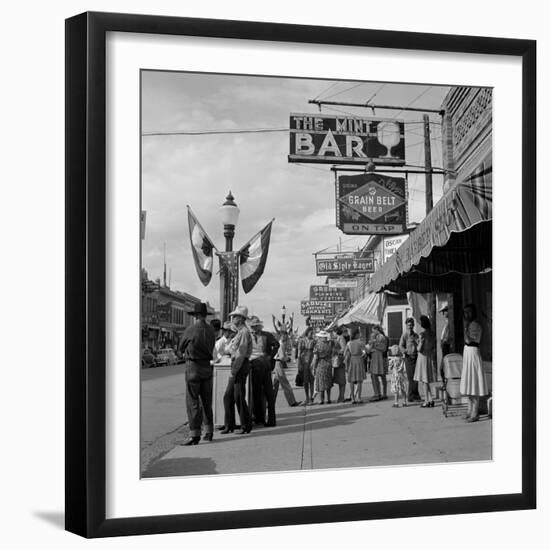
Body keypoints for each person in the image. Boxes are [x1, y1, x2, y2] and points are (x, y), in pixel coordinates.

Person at [178, 302, 216, 445]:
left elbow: (180, 347)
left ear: (195, 315)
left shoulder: (191, 329)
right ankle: (209, 431)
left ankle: (194, 434)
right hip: (207, 366)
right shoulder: (211, 330)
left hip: (193, 366)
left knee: (193, 401)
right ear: (205, 315)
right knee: (207, 401)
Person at [221, 306, 253, 435]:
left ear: (240, 318)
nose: (232, 318)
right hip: (237, 364)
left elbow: (240, 353)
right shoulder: (240, 332)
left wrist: (234, 371)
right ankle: (230, 424)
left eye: (235, 316)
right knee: (228, 396)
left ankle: (245, 425)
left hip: (240, 365)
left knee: (238, 396)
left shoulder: (244, 332)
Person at [248, 316, 279, 427]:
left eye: (256, 326)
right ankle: (259, 418)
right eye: (253, 326)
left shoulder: (267, 335)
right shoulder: (249, 336)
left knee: (268, 392)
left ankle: (271, 419)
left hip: (265, 366)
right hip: (254, 366)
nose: (255, 328)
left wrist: (270, 357)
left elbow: (276, 345)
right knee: (256, 393)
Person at [460, 304, 488, 423]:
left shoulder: (474, 325)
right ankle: (469, 410)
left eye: (469, 312)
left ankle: (474, 413)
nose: (467, 315)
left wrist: (466, 328)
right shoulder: (469, 325)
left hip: (472, 352)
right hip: (468, 352)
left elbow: (468, 340)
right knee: (469, 381)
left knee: (474, 382)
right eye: (465, 312)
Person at [272, 330, 301, 407]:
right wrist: (287, 358)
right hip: (279, 363)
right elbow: (281, 357)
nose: (287, 337)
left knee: (275, 385)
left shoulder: (280, 343)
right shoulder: (281, 344)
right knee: (285, 384)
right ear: (282, 336)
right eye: (285, 335)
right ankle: (292, 402)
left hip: (277, 364)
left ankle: (270, 402)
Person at [414, 315, 436, 408]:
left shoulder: (422, 334)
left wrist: (418, 342)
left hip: (422, 357)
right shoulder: (432, 333)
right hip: (429, 356)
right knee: (426, 380)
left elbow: (419, 349)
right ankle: (430, 399)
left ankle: (426, 401)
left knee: (424, 380)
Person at [399, 318, 422, 402]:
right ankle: (410, 396)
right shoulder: (404, 335)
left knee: (415, 377)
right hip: (408, 358)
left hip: (416, 357)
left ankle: (415, 394)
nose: (410, 327)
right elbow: (400, 346)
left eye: (411, 325)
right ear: (406, 325)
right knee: (410, 377)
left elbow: (418, 343)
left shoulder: (415, 335)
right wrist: (405, 351)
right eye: (409, 325)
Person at [344, 327, 366, 404]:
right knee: (359, 380)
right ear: (356, 334)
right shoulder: (360, 342)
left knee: (352, 381)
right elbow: (365, 352)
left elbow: (345, 353)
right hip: (359, 360)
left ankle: (353, 398)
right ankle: (359, 398)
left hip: (352, 361)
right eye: (359, 333)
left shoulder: (349, 343)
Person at [311, 330, 334, 404]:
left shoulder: (317, 346)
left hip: (320, 364)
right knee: (328, 382)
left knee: (321, 382)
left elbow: (315, 358)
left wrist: (313, 367)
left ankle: (321, 399)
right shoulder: (329, 345)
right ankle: (329, 399)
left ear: (320, 337)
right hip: (328, 364)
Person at [296, 328, 316, 405]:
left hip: (311, 361)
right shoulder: (302, 340)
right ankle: (307, 397)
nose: (312, 334)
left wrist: (314, 362)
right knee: (305, 381)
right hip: (304, 361)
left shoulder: (314, 341)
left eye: (312, 333)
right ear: (307, 333)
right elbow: (299, 352)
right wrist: (299, 363)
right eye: (311, 333)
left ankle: (311, 398)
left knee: (311, 380)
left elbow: (315, 352)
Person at [368, 325, 388, 401]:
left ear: (377, 329)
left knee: (378, 376)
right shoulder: (379, 337)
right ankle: (380, 393)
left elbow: (383, 348)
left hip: (380, 358)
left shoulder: (382, 337)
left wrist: (374, 344)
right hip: (377, 358)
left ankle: (379, 394)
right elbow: (370, 349)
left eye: (373, 330)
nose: (372, 332)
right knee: (377, 376)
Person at [332, 328, 348, 403]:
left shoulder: (341, 338)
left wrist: (336, 351)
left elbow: (344, 349)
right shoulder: (337, 338)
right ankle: (340, 396)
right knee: (339, 380)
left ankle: (342, 396)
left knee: (341, 380)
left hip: (340, 360)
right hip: (337, 361)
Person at [439, 303, 451, 380]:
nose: (443, 313)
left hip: (447, 347)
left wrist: (444, 341)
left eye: (445, 311)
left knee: (444, 369)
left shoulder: (450, 323)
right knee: (442, 369)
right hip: (444, 347)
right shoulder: (446, 322)